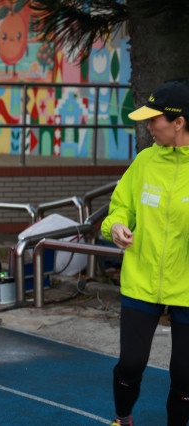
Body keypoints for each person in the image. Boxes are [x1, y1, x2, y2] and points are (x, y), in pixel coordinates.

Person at [102, 81, 189, 426]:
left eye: (154, 119)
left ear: (178, 122)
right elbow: (120, 208)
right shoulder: (144, 161)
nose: (149, 126)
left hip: (186, 288)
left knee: (185, 373)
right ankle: (122, 418)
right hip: (141, 280)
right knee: (131, 365)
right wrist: (116, 226)